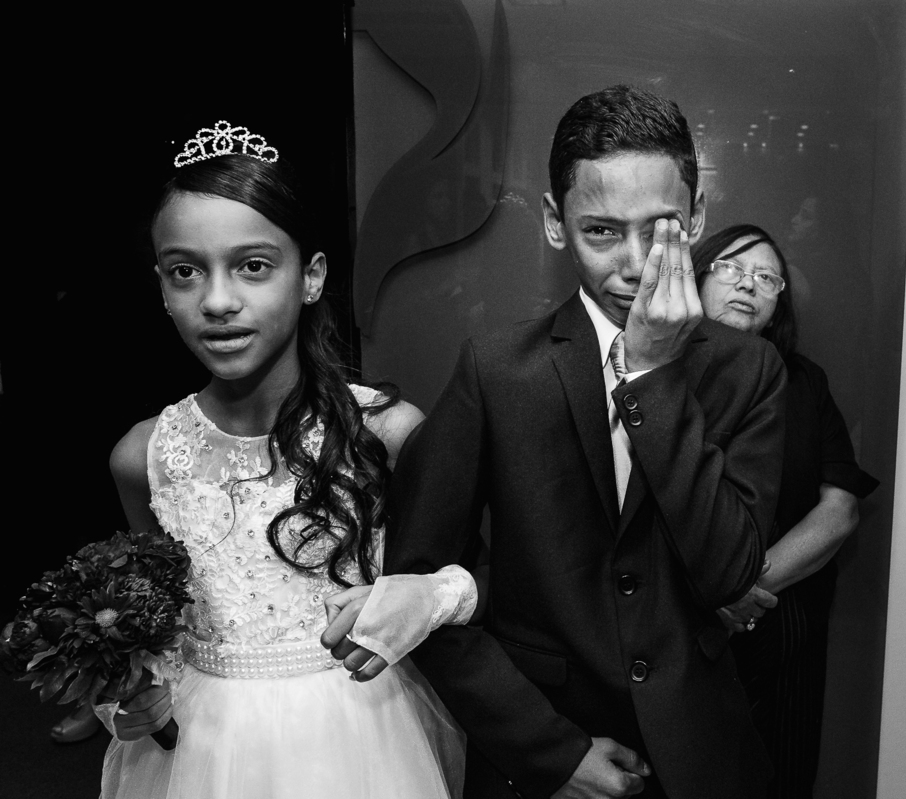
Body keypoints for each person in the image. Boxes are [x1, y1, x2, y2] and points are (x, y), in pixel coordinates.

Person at [329, 86, 787, 799]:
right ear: (554, 222)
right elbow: (423, 587)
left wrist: (654, 376)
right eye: (601, 232)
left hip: (702, 750)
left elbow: (731, 572)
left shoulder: (749, 368)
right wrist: (549, 752)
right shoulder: (495, 371)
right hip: (544, 745)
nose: (633, 264)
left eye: (661, 229)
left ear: (696, 216)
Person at [96, 122, 478, 799]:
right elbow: (153, 630)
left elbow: (480, 579)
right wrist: (127, 697)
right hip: (205, 752)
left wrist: (435, 593)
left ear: (311, 277)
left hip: (359, 736)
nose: (218, 301)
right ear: (161, 287)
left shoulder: (385, 432)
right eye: (186, 271)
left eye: (253, 266)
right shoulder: (142, 456)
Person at [693, 225, 878, 799]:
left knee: (782, 778)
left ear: (779, 304)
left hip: (783, 621)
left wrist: (746, 588)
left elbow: (839, 509)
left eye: (766, 278)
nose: (748, 284)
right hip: (670, 630)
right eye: (731, 268)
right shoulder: (652, 374)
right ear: (694, 275)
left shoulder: (804, 382)